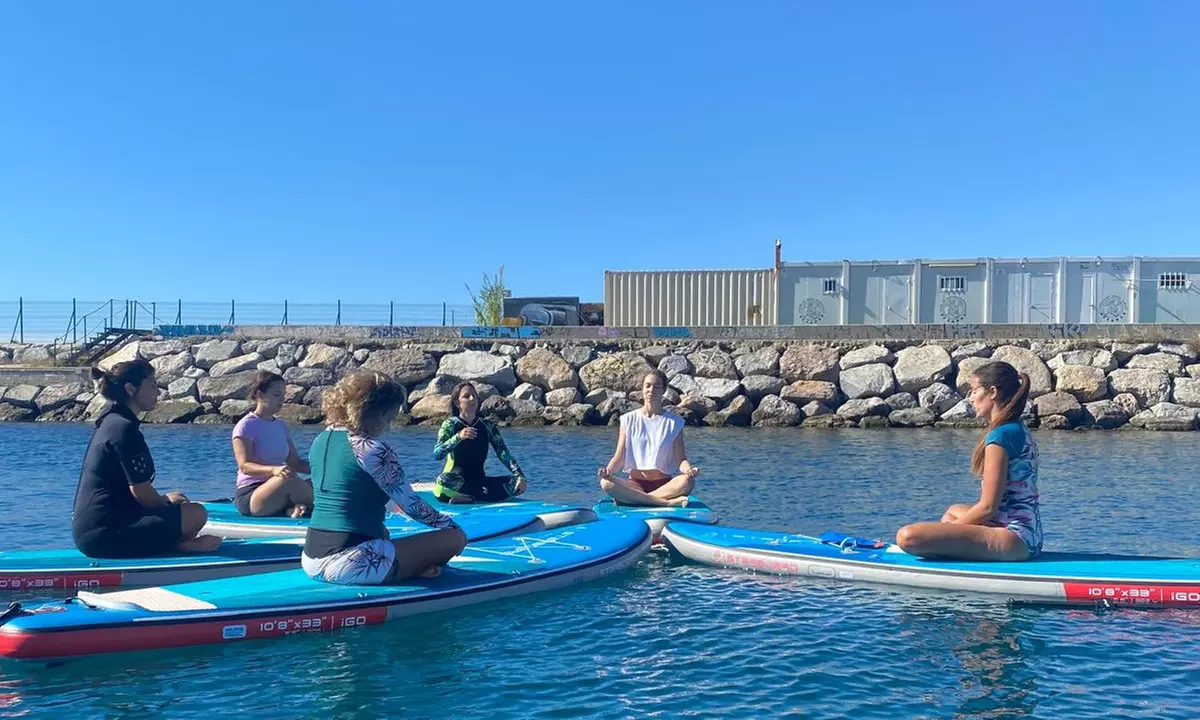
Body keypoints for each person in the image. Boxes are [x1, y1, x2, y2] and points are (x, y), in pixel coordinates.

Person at [302, 371, 467, 584]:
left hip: (310, 559)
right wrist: (454, 528)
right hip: (349, 564)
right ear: (379, 413)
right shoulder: (373, 449)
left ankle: (409, 567)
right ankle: (414, 569)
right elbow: (413, 506)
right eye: (391, 416)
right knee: (454, 538)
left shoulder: (320, 440)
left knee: (384, 533)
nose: (390, 424)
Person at [72, 359, 221, 558]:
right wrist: (168, 507)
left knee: (177, 498)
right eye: (151, 385)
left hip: (97, 528)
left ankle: (177, 541)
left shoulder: (112, 420)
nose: (157, 392)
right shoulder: (123, 429)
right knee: (196, 513)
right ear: (130, 389)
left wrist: (168, 502)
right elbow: (141, 492)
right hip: (105, 536)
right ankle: (180, 546)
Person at [895, 360, 1043, 561]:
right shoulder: (1017, 428)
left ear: (992, 392)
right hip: (1030, 533)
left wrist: (948, 530)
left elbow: (988, 507)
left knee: (908, 537)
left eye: (974, 390)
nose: (971, 398)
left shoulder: (1000, 436)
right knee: (953, 511)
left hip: (1013, 536)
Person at [597, 369, 697, 507]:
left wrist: (689, 470)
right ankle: (665, 503)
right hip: (635, 485)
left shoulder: (674, 422)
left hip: (665, 486)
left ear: (663, 391)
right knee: (606, 483)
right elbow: (619, 456)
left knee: (688, 482)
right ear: (642, 388)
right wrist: (607, 471)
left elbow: (681, 460)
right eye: (648, 385)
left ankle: (638, 500)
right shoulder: (628, 419)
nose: (651, 390)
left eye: (656, 387)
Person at [231, 371, 313, 518]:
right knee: (289, 481)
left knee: (319, 482)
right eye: (276, 395)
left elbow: (295, 463)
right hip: (251, 495)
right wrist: (273, 470)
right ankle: (328, 508)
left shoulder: (281, 426)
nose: (282, 399)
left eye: (283, 394)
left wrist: (324, 470)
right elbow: (244, 466)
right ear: (260, 395)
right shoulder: (245, 426)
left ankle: (291, 510)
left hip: (279, 487)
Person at [431, 382, 529, 503]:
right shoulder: (450, 425)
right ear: (457, 403)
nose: (472, 399)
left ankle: (469, 497)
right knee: (442, 481)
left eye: (474, 395)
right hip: (453, 482)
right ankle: (479, 496)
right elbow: (437, 454)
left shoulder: (487, 426)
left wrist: (520, 476)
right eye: (466, 396)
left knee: (515, 483)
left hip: (479, 481)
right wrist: (458, 437)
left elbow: (503, 453)